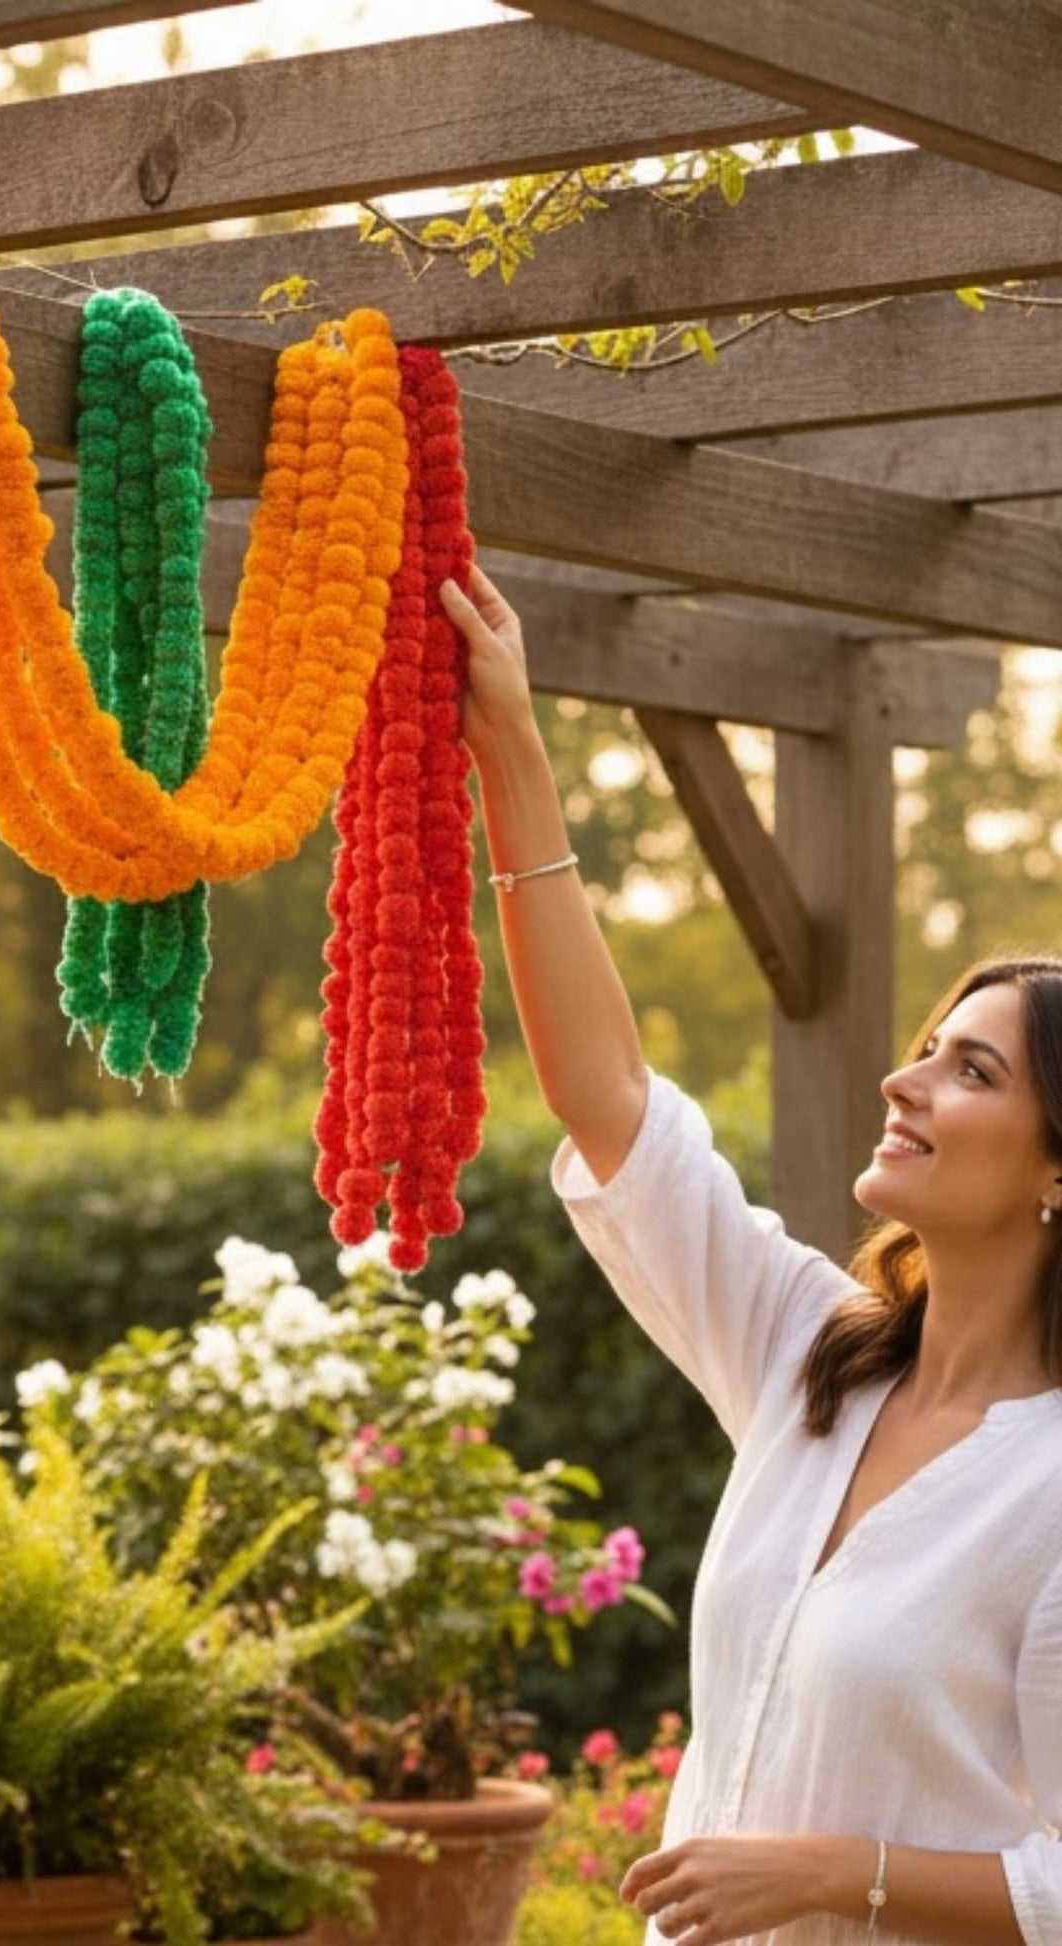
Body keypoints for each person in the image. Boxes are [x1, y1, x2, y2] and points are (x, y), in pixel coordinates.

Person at [441, 562, 1062, 1946]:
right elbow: (611, 1104)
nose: (905, 1086)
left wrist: (840, 1872)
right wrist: (513, 751)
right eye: (918, 1052)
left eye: (968, 1071)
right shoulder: (809, 1351)